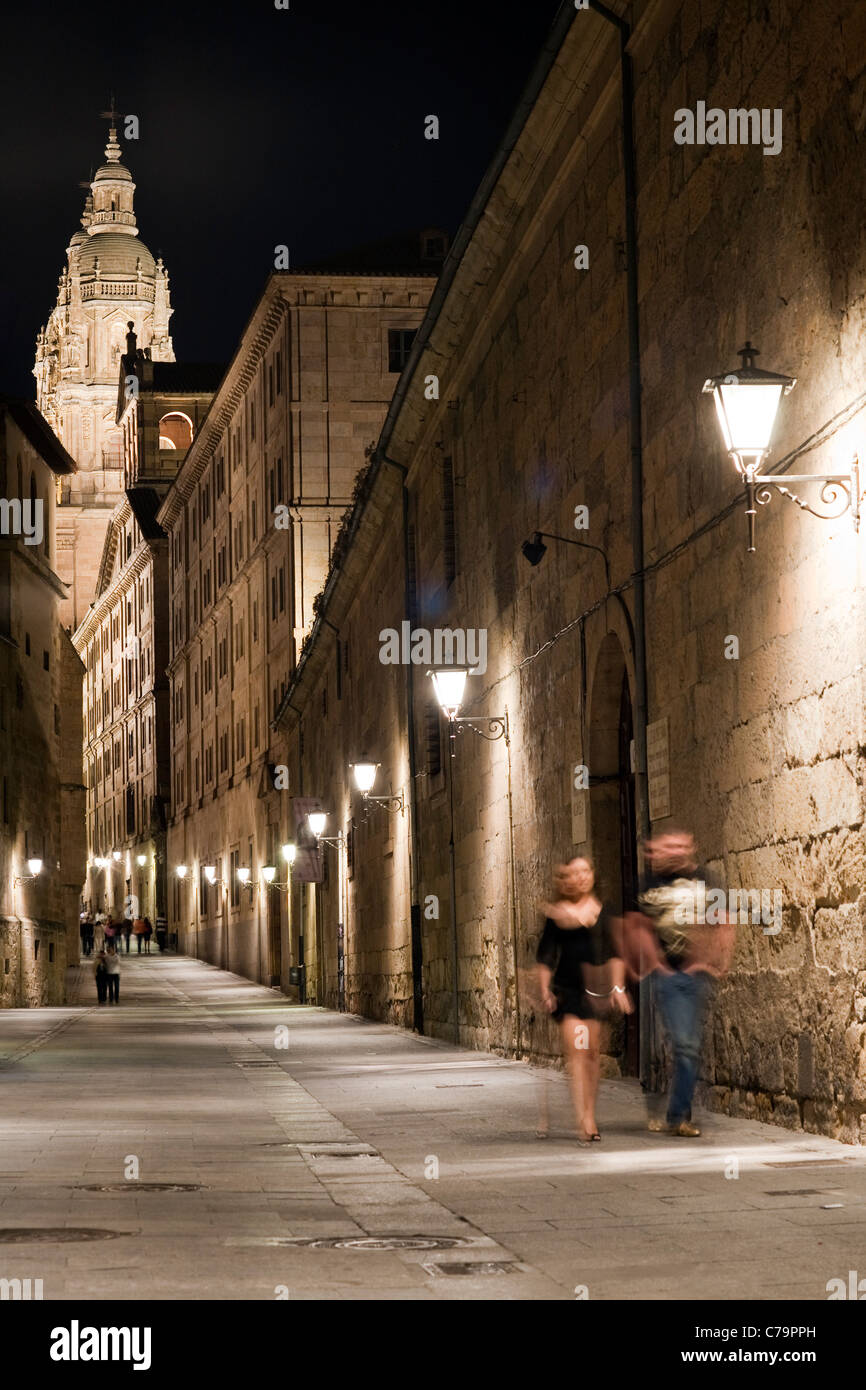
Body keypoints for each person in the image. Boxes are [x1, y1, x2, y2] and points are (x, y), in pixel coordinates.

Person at [632, 830, 734, 1138]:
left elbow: (722, 919)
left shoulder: (705, 881)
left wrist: (716, 960)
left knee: (687, 1047)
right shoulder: (650, 885)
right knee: (683, 1045)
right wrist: (655, 964)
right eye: (669, 847)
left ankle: (677, 1114)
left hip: (693, 977)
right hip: (666, 977)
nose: (675, 852)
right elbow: (639, 927)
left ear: (691, 848)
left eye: (680, 846)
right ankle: (673, 1111)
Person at [536, 857, 631, 1143]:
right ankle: (585, 1118)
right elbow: (545, 957)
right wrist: (544, 990)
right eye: (574, 873)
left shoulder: (605, 911)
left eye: (586, 871)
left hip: (596, 993)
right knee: (578, 1052)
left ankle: (590, 1110)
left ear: (592, 875)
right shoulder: (557, 916)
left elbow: (614, 953)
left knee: (591, 1055)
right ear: (566, 879)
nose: (581, 877)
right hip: (567, 993)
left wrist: (618, 988)